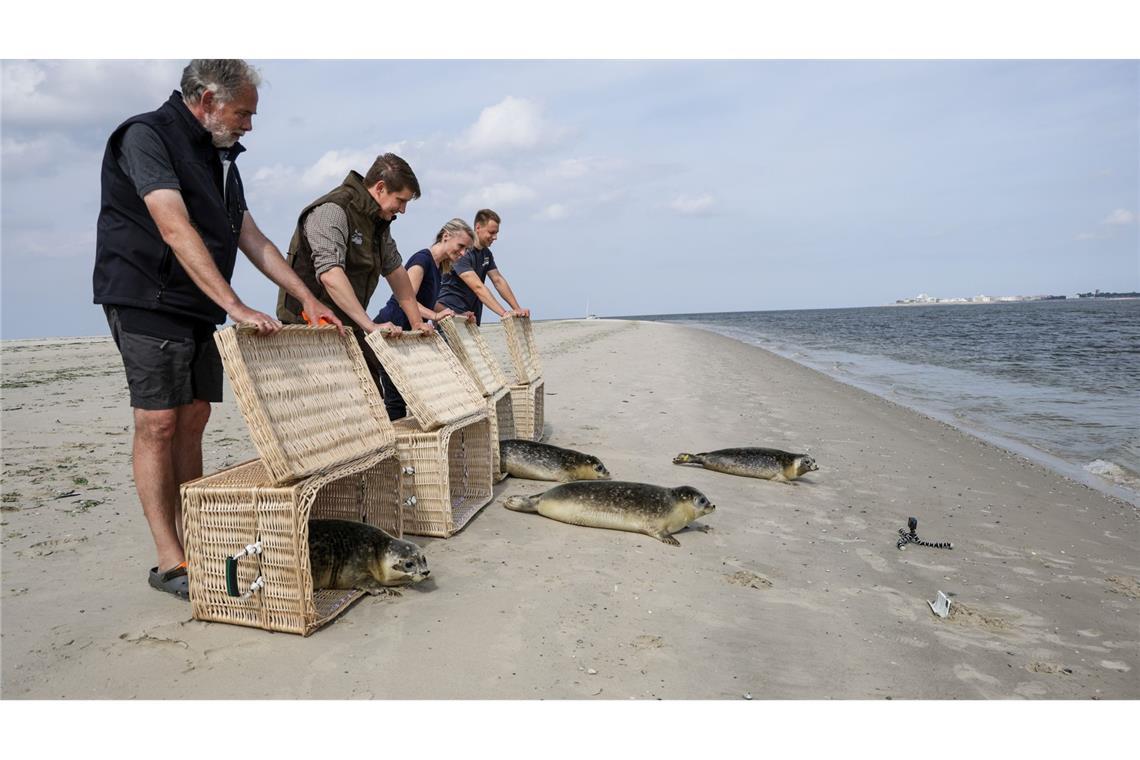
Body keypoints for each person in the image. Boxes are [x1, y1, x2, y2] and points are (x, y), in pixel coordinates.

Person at [93, 59, 343, 600]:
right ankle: (170, 559)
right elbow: (172, 226)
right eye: (243, 113)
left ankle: (197, 536)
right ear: (206, 100)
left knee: (195, 415)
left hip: (196, 301)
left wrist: (307, 299)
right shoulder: (145, 136)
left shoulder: (222, 157)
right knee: (158, 421)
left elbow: (250, 236)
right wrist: (237, 305)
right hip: (146, 294)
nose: (249, 125)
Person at [277, 153, 432, 391]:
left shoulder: (378, 222)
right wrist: (370, 325)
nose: (403, 210)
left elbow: (396, 270)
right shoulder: (333, 210)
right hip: (307, 329)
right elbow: (330, 274)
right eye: (401, 201)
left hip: (348, 325)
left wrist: (416, 321)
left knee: (372, 394)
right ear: (380, 188)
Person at [372, 218, 476, 419]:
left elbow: (429, 303)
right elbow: (406, 300)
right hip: (391, 331)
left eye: (467, 250)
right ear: (446, 236)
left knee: (412, 394)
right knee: (396, 399)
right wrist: (436, 316)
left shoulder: (438, 266)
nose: (463, 253)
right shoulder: (422, 260)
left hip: (406, 336)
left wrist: (457, 314)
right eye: (461, 246)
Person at [435, 209, 530, 325]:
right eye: (491, 232)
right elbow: (478, 287)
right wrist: (504, 313)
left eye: (496, 233)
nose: (495, 237)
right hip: (449, 314)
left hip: (470, 316)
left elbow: (498, 280)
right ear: (478, 227)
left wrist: (517, 309)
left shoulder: (486, 253)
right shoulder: (461, 253)